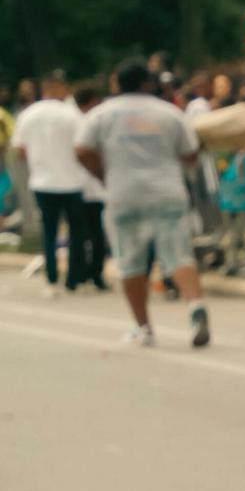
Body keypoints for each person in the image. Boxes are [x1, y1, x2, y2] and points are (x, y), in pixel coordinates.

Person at [75, 60, 210, 348]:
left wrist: (103, 175)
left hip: (124, 193)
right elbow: (190, 153)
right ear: (148, 83)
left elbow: (82, 149)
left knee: (130, 262)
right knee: (179, 256)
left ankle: (143, 327)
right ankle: (196, 305)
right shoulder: (170, 113)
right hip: (167, 192)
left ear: (116, 84)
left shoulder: (101, 115)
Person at [12, 74, 90, 290]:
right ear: (60, 88)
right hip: (71, 180)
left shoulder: (28, 114)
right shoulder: (72, 114)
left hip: (42, 181)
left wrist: (38, 162)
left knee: (49, 231)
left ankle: (52, 277)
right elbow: (82, 146)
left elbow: (20, 150)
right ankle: (74, 279)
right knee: (76, 231)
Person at [69, 85, 110, 289]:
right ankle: (95, 274)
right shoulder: (94, 121)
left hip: (75, 186)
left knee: (78, 232)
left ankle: (78, 274)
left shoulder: (73, 120)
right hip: (92, 185)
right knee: (94, 233)